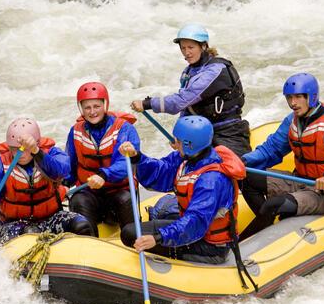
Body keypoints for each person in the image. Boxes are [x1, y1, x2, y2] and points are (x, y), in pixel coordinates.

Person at [240, 73, 324, 238]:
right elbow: (271, 149)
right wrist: (244, 161)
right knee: (244, 177)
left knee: (272, 205)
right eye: (289, 98)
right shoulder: (292, 121)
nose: (293, 103)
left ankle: (242, 243)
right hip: (298, 180)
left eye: (298, 97)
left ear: (312, 97)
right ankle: (268, 225)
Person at [118, 115, 246, 264]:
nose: (174, 144)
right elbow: (161, 173)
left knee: (131, 234)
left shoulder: (211, 180)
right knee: (129, 232)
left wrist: (158, 238)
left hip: (209, 246)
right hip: (192, 229)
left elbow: (196, 221)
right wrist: (137, 157)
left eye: (178, 141)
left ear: (189, 145)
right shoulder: (187, 159)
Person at [0, 118, 94, 242]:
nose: (20, 154)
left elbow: (62, 170)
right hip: (12, 226)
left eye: (26, 149)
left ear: (37, 143)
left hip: (50, 219)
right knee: (32, 233)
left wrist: (37, 152)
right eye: (14, 149)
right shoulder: (0, 168)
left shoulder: (52, 154)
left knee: (82, 226)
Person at [130, 23, 251, 157]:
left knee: (239, 171)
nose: (186, 52)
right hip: (202, 133)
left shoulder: (215, 70)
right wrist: (181, 135)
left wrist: (147, 104)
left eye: (191, 47)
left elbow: (181, 101)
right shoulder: (189, 71)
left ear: (203, 46)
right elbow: (186, 108)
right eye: (183, 48)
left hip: (228, 132)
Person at [65, 82, 141, 236]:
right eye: (87, 107)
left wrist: (103, 175)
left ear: (105, 105)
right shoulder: (75, 132)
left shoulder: (124, 129)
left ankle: (132, 239)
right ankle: (89, 246)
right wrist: (64, 184)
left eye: (96, 106)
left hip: (118, 193)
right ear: (81, 109)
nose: (92, 112)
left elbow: (124, 164)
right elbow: (70, 165)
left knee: (125, 199)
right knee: (77, 200)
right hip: (89, 194)